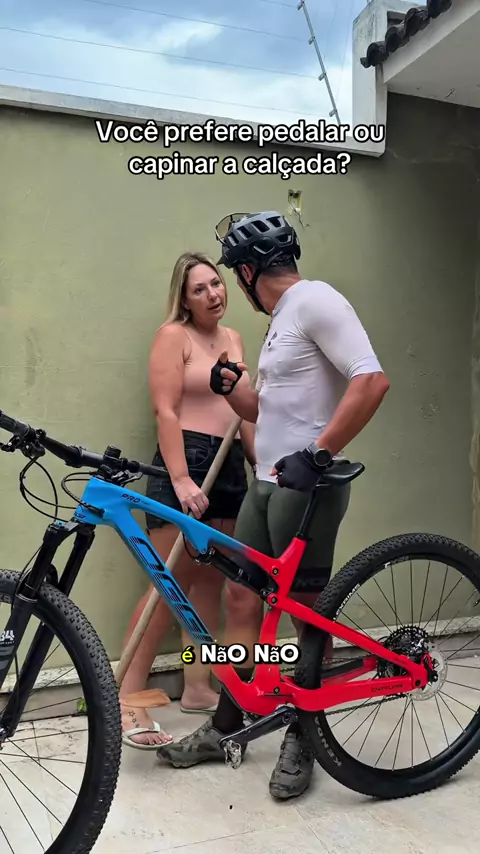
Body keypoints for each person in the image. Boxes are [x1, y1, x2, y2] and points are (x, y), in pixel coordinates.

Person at [157, 212, 390, 798]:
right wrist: (233, 387)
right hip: (265, 481)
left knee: (305, 612)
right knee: (241, 597)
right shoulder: (283, 320)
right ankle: (228, 724)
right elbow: (264, 410)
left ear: (244, 272)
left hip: (307, 486)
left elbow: (371, 381)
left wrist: (320, 453)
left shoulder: (317, 301)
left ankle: (305, 735)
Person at [120, 250, 255, 749]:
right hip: (188, 462)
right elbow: (166, 411)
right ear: (184, 298)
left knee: (212, 584)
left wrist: (261, 465)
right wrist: (180, 479)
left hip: (229, 464)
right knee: (168, 583)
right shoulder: (172, 336)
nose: (213, 294)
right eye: (199, 289)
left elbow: (245, 413)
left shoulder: (234, 338)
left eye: (216, 283)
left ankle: (198, 687)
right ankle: (127, 698)